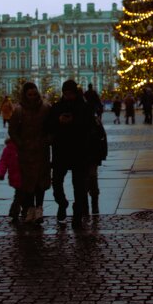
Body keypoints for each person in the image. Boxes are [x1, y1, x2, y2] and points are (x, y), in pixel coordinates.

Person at [47, 79, 97, 228]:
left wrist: (73, 121)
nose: (68, 96)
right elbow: (48, 126)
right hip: (60, 152)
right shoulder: (56, 108)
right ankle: (62, 203)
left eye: (70, 94)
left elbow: (90, 127)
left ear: (75, 93)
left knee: (79, 186)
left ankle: (77, 213)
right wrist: (58, 121)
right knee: (56, 183)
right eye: (65, 93)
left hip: (79, 152)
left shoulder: (84, 108)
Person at [7, 82, 52, 224]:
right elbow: (12, 130)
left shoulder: (45, 108)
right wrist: (20, 144)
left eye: (34, 94)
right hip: (26, 152)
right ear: (25, 95)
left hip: (41, 151)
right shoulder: (19, 110)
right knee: (27, 181)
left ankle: (39, 208)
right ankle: (30, 209)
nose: (32, 97)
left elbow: (52, 128)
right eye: (29, 95)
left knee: (41, 180)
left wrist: (47, 140)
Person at [0, 137, 22, 224]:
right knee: (19, 195)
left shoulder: (10, 148)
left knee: (20, 195)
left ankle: (16, 212)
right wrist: (1, 173)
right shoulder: (9, 148)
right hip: (16, 176)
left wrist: (1, 173)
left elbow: (3, 162)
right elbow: (3, 162)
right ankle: (16, 212)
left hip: (22, 175)